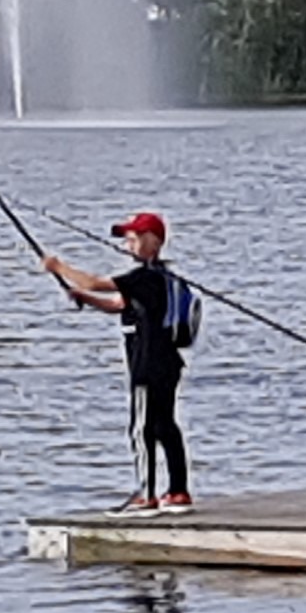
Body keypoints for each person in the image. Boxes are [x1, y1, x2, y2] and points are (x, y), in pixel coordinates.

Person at [42, 211, 193, 508]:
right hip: (168, 364)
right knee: (164, 425)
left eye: (134, 239)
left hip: (146, 367)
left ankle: (146, 494)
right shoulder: (163, 279)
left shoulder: (144, 277)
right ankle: (178, 490)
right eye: (127, 239)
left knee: (141, 428)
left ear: (153, 242)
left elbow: (96, 283)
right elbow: (117, 304)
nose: (128, 244)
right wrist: (84, 299)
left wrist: (58, 266)